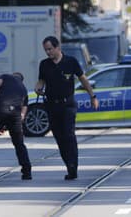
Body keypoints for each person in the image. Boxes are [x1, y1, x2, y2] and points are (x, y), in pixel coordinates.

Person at [35, 35, 99, 180]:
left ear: (58, 47)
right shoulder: (44, 64)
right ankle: (68, 164)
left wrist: (92, 96)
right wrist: (37, 88)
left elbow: (83, 79)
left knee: (69, 135)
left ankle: (73, 167)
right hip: (52, 105)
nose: (48, 53)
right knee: (59, 137)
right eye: (45, 50)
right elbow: (41, 81)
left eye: (50, 49)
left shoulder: (71, 62)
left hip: (68, 105)